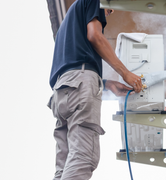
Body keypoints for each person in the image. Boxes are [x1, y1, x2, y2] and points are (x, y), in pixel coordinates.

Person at [47, 0, 142, 180]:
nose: (110, 12)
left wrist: (107, 84)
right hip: (78, 84)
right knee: (83, 157)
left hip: (60, 94)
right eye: (110, 9)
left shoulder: (66, 27)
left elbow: (73, 66)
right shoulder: (92, 1)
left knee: (64, 165)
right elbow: (95, 36)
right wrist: (126, 73)